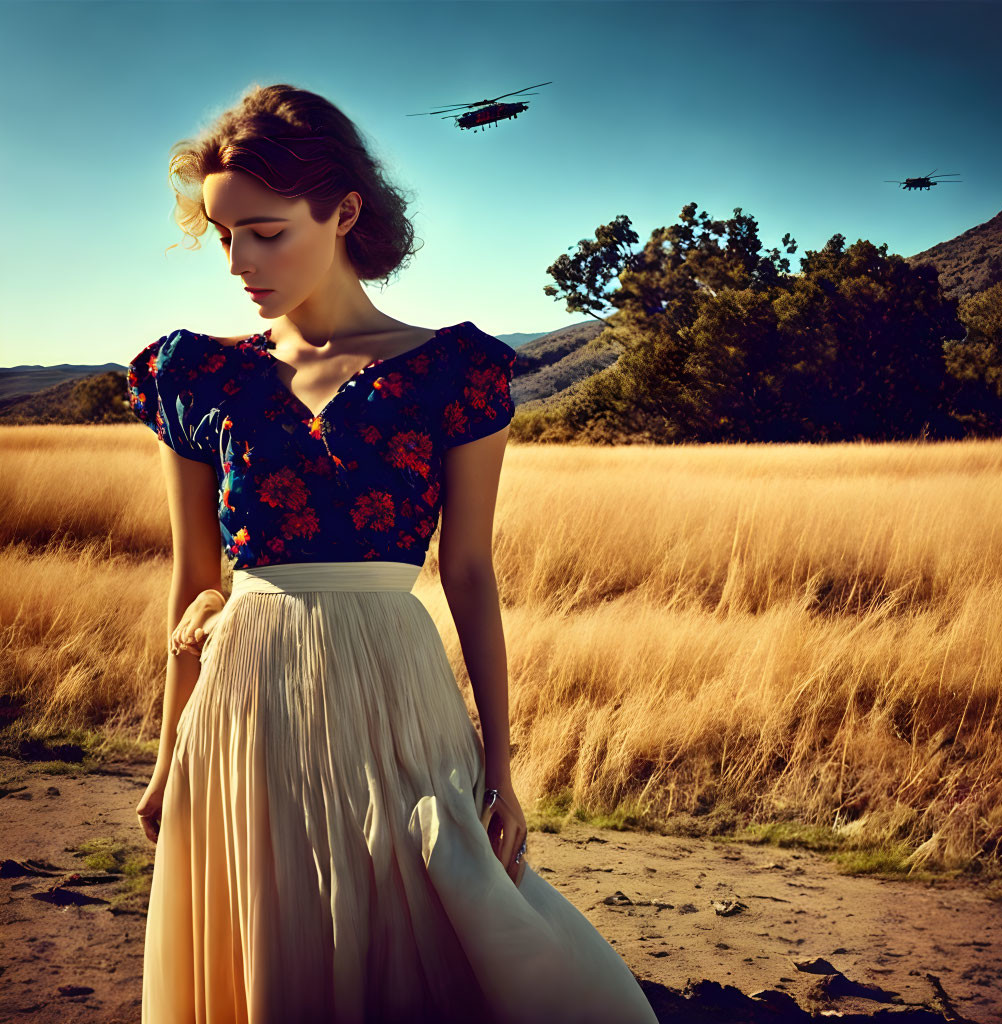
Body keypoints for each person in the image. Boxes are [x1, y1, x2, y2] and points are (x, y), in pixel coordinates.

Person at [128, 82, 660, 1024]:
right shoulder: (193, 372)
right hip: (246, 702)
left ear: (342, 211)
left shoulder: (453, 370)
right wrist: (167, 759)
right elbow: (193, 583)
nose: (241, 262)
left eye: (268, 231)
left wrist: (503, 768)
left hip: (397, 690)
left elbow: (468, 572)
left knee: (428, 932)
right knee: (272, 946)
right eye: (224, 236)